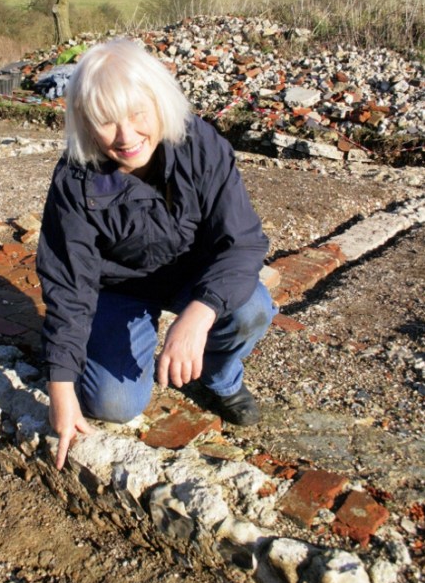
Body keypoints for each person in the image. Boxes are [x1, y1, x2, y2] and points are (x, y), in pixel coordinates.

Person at [36, 38, 274, 470]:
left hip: (194, 277)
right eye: (106, 121)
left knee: (252, 308)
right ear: (85, 122)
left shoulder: (199, 143)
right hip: (120, 289)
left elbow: (243, 242)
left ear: (159, 102)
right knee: (112, 403)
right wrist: (60, 389)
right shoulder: (75, 180)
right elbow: (68, 284)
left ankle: (219, 379)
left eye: (137, 113)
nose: (126, 137)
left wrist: (198, 315)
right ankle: (96, 351)